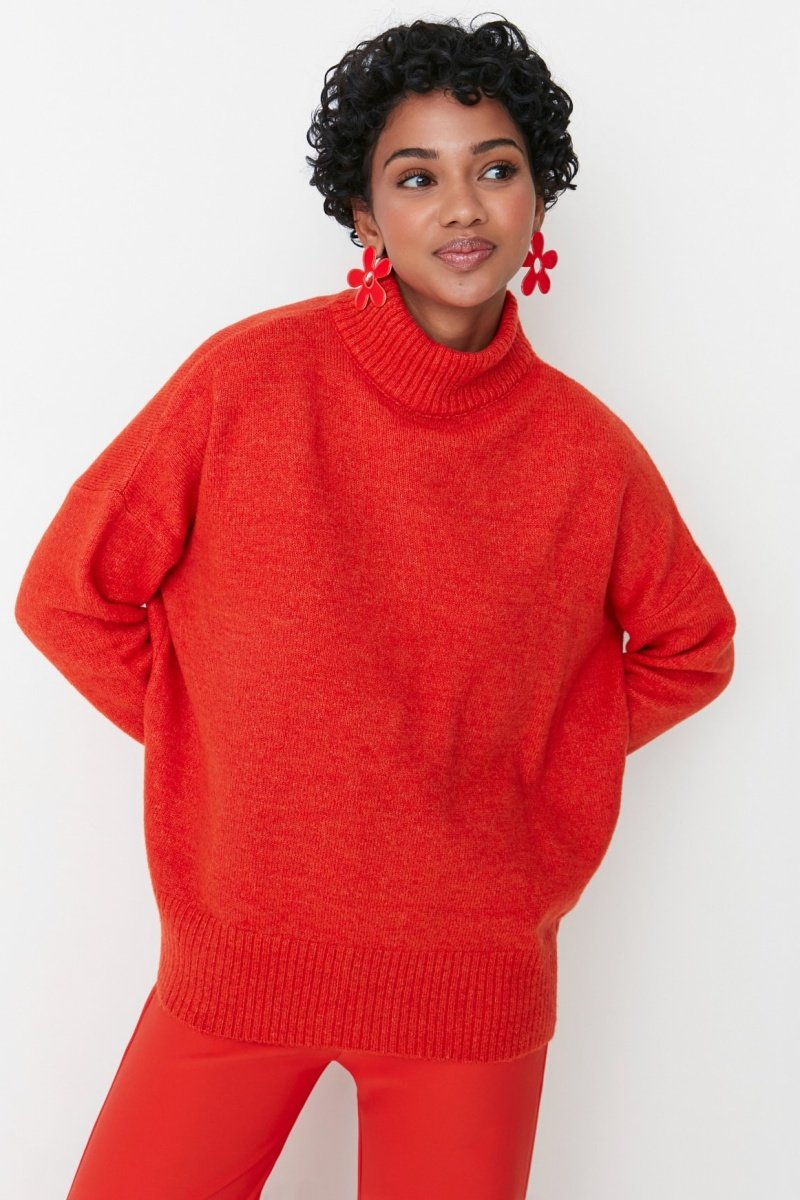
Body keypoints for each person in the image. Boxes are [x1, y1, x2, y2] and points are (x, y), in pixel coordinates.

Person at [14, 14, 736, 1200]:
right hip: (246, 950)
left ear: (537, 200)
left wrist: (532, 759)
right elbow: (67, 596)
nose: (461, 207)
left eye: (494, 168)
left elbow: (690, 646)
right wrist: (240, 745)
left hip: (470, 976)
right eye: (415, 177)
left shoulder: (585, 456)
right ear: (362, 214)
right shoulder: (247, 383)